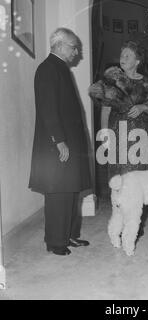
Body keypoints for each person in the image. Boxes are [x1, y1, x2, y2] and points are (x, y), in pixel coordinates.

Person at [29, 28, 91, 255]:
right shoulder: (47, 68)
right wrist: (60, 141)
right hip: (57, 144)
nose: (76, 52)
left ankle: (69, 235)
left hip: (69, 143)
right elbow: (48, 110)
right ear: (59, 44)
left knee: (70, 190)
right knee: (58, 192)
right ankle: (55, 241)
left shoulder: (60, 68)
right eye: (73, 46)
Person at [89, 41, 148, 180]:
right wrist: (105, 133)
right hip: (117, 134)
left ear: (137, 61)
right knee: (118, 178)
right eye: (121, 55)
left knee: (138, 179)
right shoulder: (112, 80)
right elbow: (105, 109)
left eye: (127, 56)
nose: (122, 58)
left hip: (141, 137)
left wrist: (143, 107)